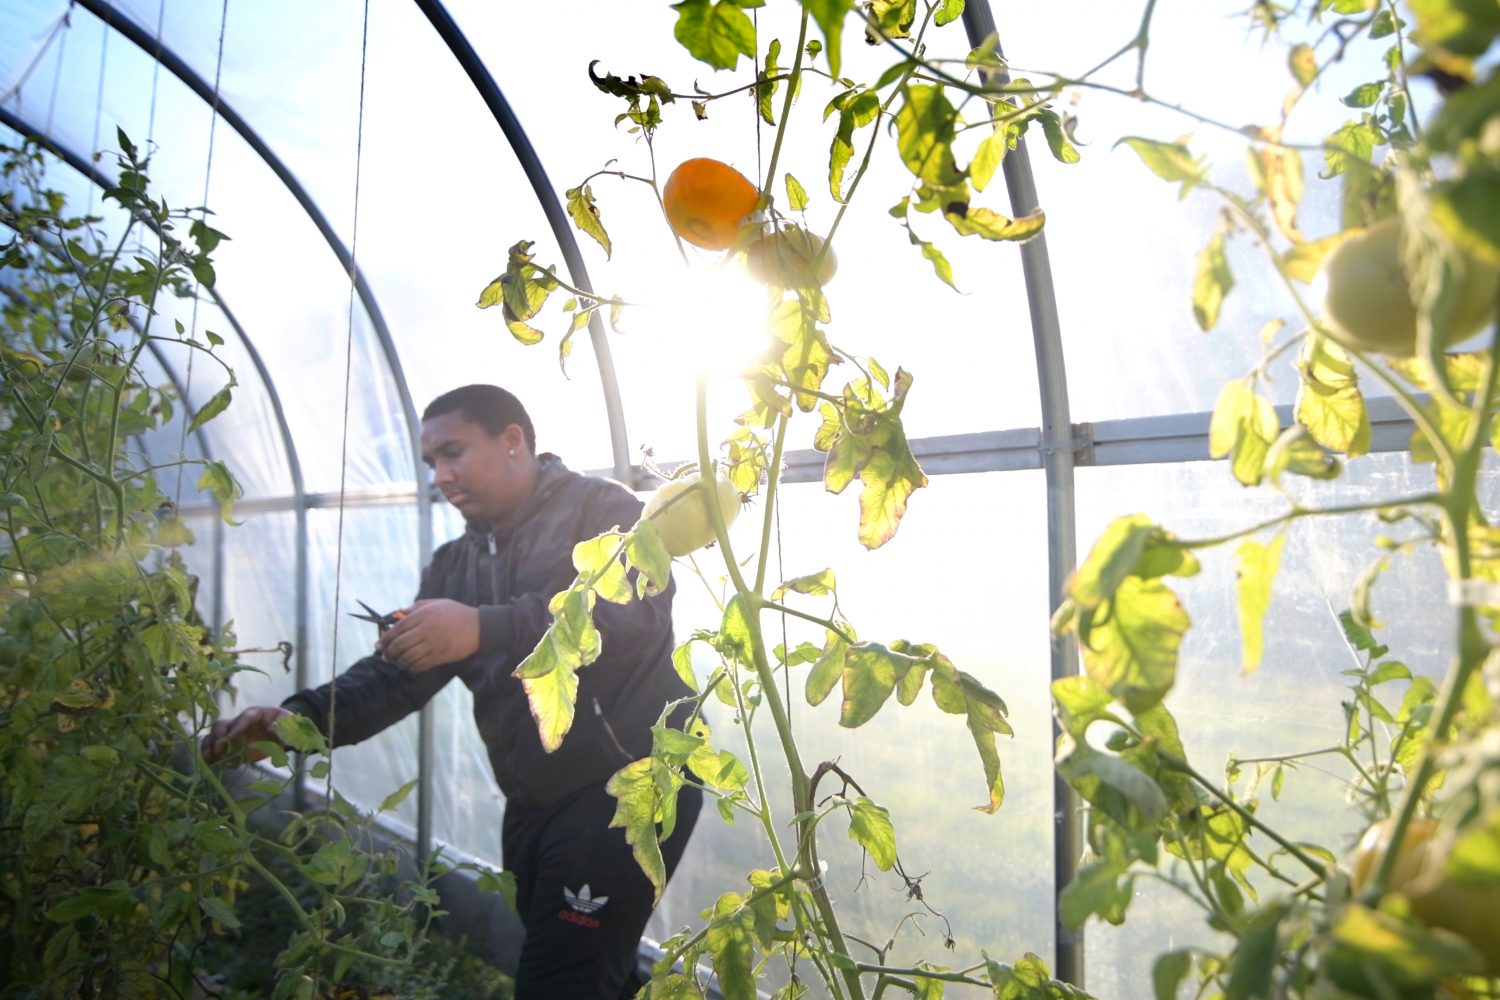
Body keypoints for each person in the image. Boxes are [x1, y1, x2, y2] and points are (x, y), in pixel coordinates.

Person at [204, 384, 701, 998]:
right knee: (599, 971)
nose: (440, 475)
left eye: (453, 452)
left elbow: (633, 617)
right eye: (430, 462)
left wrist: (480, 627)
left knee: (563, 980)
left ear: (513, 439)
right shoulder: (451, 566)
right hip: (533, 801)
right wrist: (294, 720)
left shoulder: (602, 511)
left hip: (628, 784)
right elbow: (394, 676)